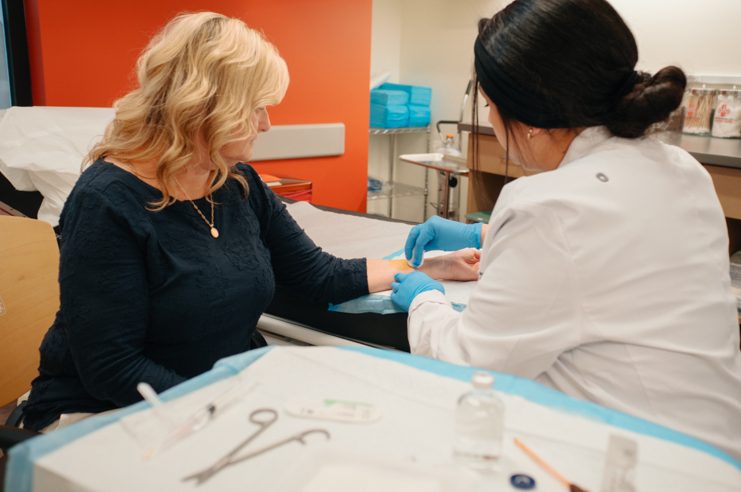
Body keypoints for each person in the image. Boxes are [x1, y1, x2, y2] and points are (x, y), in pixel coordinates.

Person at [22, 12, 479, 432]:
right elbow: (114, 369)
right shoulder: (106, 202)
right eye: (256, 107)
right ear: (202, 107)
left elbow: (319, 276)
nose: (266, 124)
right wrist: (231, 410)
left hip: (219, 394)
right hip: (113, 414)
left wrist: (426, 269)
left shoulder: (237, 183)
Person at [391, 0, 741, 460]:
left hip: (643, 458)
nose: (493, 122)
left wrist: (423, 298)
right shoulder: (680, 166)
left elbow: (467, 362)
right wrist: (483, 236)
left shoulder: (548, 207)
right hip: (717, 448)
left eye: (491, 107)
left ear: (531, 120)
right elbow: (615, 253)